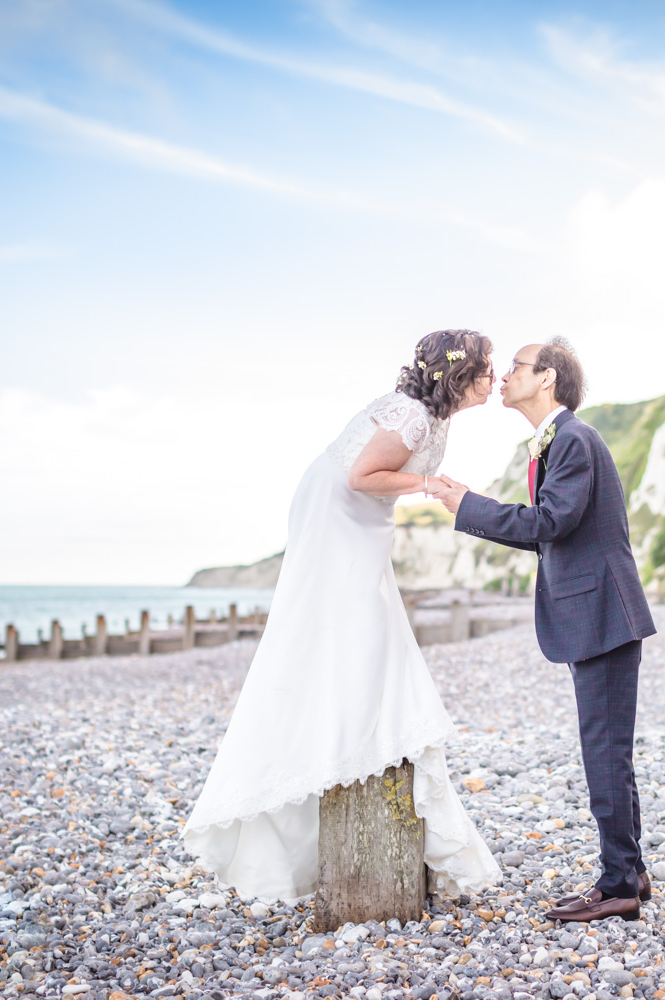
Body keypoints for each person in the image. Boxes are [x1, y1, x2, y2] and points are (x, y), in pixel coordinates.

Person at [183, 330, 501, 902]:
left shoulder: (435, 414)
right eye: (486, 369)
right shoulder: (411, 414)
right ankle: (350, 721)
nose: (493, 378)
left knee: (367, 613)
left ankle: (367, 712)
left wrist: (424, 485)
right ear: (461, 373)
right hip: (339, 507)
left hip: (362, 513)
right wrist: (429, 483)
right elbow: (361, 475)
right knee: (350, 614)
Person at [433, 337, 656, 922]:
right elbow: (552, 527)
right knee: (610, 751)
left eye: (516, 368)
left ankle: (618, 887)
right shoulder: (559, 441)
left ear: (548, 378)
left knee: (605, 752)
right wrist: (469, 506)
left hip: (603, 615)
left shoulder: (574, 439)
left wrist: (467, 505)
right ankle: (629, 873)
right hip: (599, 614)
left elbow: (550, 522)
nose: (504, 376)